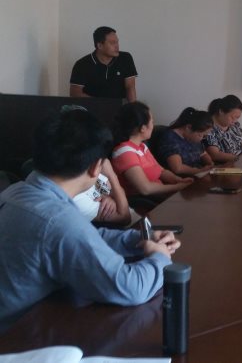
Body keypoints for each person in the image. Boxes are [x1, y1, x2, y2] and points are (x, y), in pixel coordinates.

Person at [0, 108, 180, 332]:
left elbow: (85, 236)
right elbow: (130, 287)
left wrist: (138, 239)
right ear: (97, 167)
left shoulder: (18, 191)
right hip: (17, 337)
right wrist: (160, 258)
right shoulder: (58, 220)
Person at [110, 102, 193, 197]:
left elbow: (161, 171)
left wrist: (179, 180)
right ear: (143, 128)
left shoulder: (142, 146)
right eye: (152, 122)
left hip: (159, 196)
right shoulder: (125, 152)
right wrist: (177, 187)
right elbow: (145, 189)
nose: (153, 125)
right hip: (146, 201)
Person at [70, 26, 137, 102]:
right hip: (92, 107)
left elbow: (130, 87)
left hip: (120, 107)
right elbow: (75, 93)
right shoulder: (82, 64)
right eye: (112, 43)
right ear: (100, 46)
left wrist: (133, 108)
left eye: (117, 42)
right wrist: (100, 104)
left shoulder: (125, 58)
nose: (117, 46)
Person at [156, 108, 214, 177]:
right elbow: (177, 168)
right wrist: (200, 171)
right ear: (188, 128)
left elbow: (203, 154)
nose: (202, 138)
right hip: (183, 178)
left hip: (200, 173)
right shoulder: (169, 138)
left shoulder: (192, 137)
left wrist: (210, 164)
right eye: (201, 135)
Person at [203, 95, 242, 163]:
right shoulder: (208, 127)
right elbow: (215, 155)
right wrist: (239, 159)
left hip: (240, 162)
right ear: (221, 111)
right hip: (224, 165)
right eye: (233, 117)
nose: (235, 121)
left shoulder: (235, 125)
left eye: (237, 117)